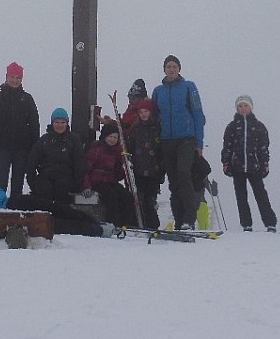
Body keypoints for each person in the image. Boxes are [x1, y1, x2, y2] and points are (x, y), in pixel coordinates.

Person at [0, 159, 114, 237]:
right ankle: (95, 230)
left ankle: (91, 220)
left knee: (49, 206)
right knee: (49, 223)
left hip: (8, 204)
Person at [151, 55, 206, 230]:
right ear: (164, 69)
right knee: (173, 181)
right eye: (168, 66)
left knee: (184, 174)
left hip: (186, 139)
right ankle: (179, 221)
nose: (172, 69)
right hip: (167, 141)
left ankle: (189, 219)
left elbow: (198, 115)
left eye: (174, 66)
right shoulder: (158, 91)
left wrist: (199, 142)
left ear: (179, 69)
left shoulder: (189, 87)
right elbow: (154, 116)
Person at [0, 62, 40, 196]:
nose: (15, 80)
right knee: (0, 184)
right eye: (12, 76)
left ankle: (15, 210)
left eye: (18, 77)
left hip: (22, 149)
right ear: (6, 77)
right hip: (1, 148)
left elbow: (34, 126)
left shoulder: (27, 99)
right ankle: (0, 212)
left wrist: (34, 151)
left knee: (18, 184)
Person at [221, 95, 278, 232]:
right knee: (241, 197)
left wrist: (265, 163)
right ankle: (246, 224)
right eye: (240, 106)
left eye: (246, 105)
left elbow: (264, 147)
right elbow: (227, 146)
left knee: (261, 195)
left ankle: (270, 223)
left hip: (255, 166)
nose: (243, 108)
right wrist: (226, 162)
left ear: (251, 107)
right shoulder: (232, 126)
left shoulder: (259, 127)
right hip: (237, 166)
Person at [82, 121, 139, 228]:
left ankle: (127, 224)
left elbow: (117, 173)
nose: (112, 140)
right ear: (104, 136)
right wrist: (86, 186)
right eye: (110, 137)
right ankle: (113, 223)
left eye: (115, 137)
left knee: (127, 196)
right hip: (97, 181)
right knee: (111, 197)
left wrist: (125, 167)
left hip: (110, 181)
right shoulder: (96, 150)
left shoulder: (116, 152)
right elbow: (86, 170)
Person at [25, 108, 86, 204]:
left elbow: (79, 163)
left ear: (67, 123)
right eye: (57, 122)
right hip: (46, 177)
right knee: (44, 189)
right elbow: (32, 161)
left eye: (63, 122)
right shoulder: (44, 141)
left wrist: (77, 183)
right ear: (52, 123)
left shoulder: (74, 140)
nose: (60, 125)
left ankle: (62, 216)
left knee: (61, 188)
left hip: (66, 178)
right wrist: (33, 182)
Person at [126, 98, 164, 229]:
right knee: (138, 198)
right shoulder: (136, 129)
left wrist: (161, 170)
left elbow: (161, 150)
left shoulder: (157, 128)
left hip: (153, 171)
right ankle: (137, 223)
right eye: (141, 112)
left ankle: (153, 225)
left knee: (150, 200)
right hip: (138, 170)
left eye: (146, 111)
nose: (143, 114)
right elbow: (131, 146)